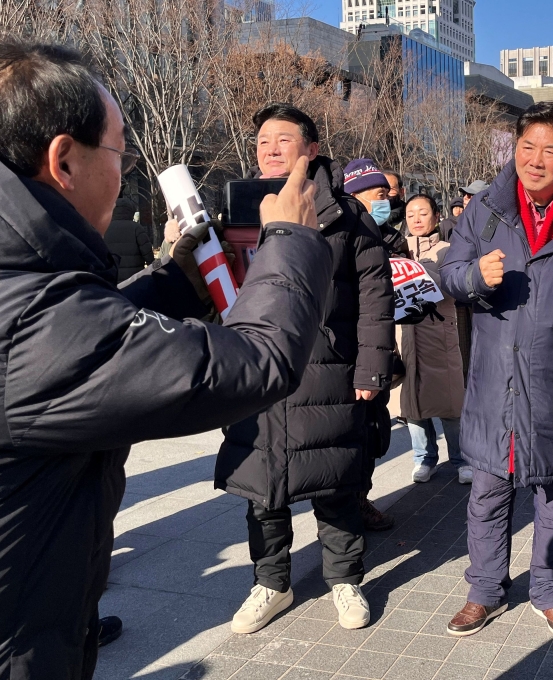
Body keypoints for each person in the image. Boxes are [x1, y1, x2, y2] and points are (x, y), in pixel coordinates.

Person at [0, 44, 334, 679]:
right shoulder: (33, 322)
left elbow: (91, 330)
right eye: (119, 152)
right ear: (63, 160)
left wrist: (173, 284)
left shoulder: (30, 280)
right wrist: (291, 241)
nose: (124, 173)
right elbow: (257, 361)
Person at [440, 102, 553, 640]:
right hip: (494, 381)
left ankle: (550, 588)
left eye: (550, 150)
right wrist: (474, 275)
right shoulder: (485, 211)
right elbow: (448, 274)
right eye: (527, 147)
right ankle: (485, 589)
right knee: (488, 493)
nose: (535, 160)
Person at [215, 104, 394, 635]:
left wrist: (371, 370)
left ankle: (344, 578)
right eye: (262, 139)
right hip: (251, 368)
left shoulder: (344, 215)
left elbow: (374, 299)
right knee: (259, 483)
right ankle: (271, 582)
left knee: (334, 480)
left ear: (311, 150)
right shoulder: (232, 213)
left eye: (283, 139)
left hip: (326, 368)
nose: (270, 147)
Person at [344, 159, 405, 533]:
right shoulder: (337, 235)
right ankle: (345, 507)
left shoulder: (392, 238)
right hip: (346, 352)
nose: (387, 202)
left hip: (379, 352)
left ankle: (361, 497)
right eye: (380, 195)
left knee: (374, 433)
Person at [399, 194, 474, 485]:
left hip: (440, 335)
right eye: (410, 214)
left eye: (422, 213)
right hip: (405, 336)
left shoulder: (449, 250)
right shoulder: (398, 249)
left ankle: (462, 459)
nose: (416, 219)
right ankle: (424, 458)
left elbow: (453, 287)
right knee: (413, 406)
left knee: (451, 404)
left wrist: (416, 271)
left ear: (436, 216)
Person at [346, 158, 408, 257]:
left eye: (387, 194)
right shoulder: (336, 236)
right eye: (381, 195)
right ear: (354, 197)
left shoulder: (396, 239)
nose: (386, 200)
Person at [103, 197, 154, 282]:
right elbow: (147, 252)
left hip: (112, 278)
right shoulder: (137, 228)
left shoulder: (105, 228)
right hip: (135, 278)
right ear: (131, 211)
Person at [384, 169, 407, 233]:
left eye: (390, 189)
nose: (385, 193)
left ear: (401, 192)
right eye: (381, 190)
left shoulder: (411, 219)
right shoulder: (365, 218)